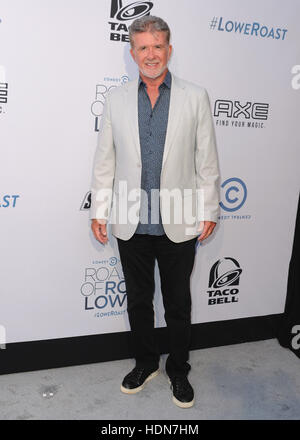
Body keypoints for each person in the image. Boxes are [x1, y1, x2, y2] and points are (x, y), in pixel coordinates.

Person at [90, 15, 220, 409]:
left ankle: (178, 369)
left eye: (157, 46)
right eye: (143, 47)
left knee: (178, 303)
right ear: (132, 53)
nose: (151, 54)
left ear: (169, 50)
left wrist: (210, 207)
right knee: (138, 301)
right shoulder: (115, 99)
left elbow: (207, 159)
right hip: (131, 220)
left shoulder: (195, 96)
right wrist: (100, 210)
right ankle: (146, 363)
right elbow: (105, 161)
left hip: (179, 219)